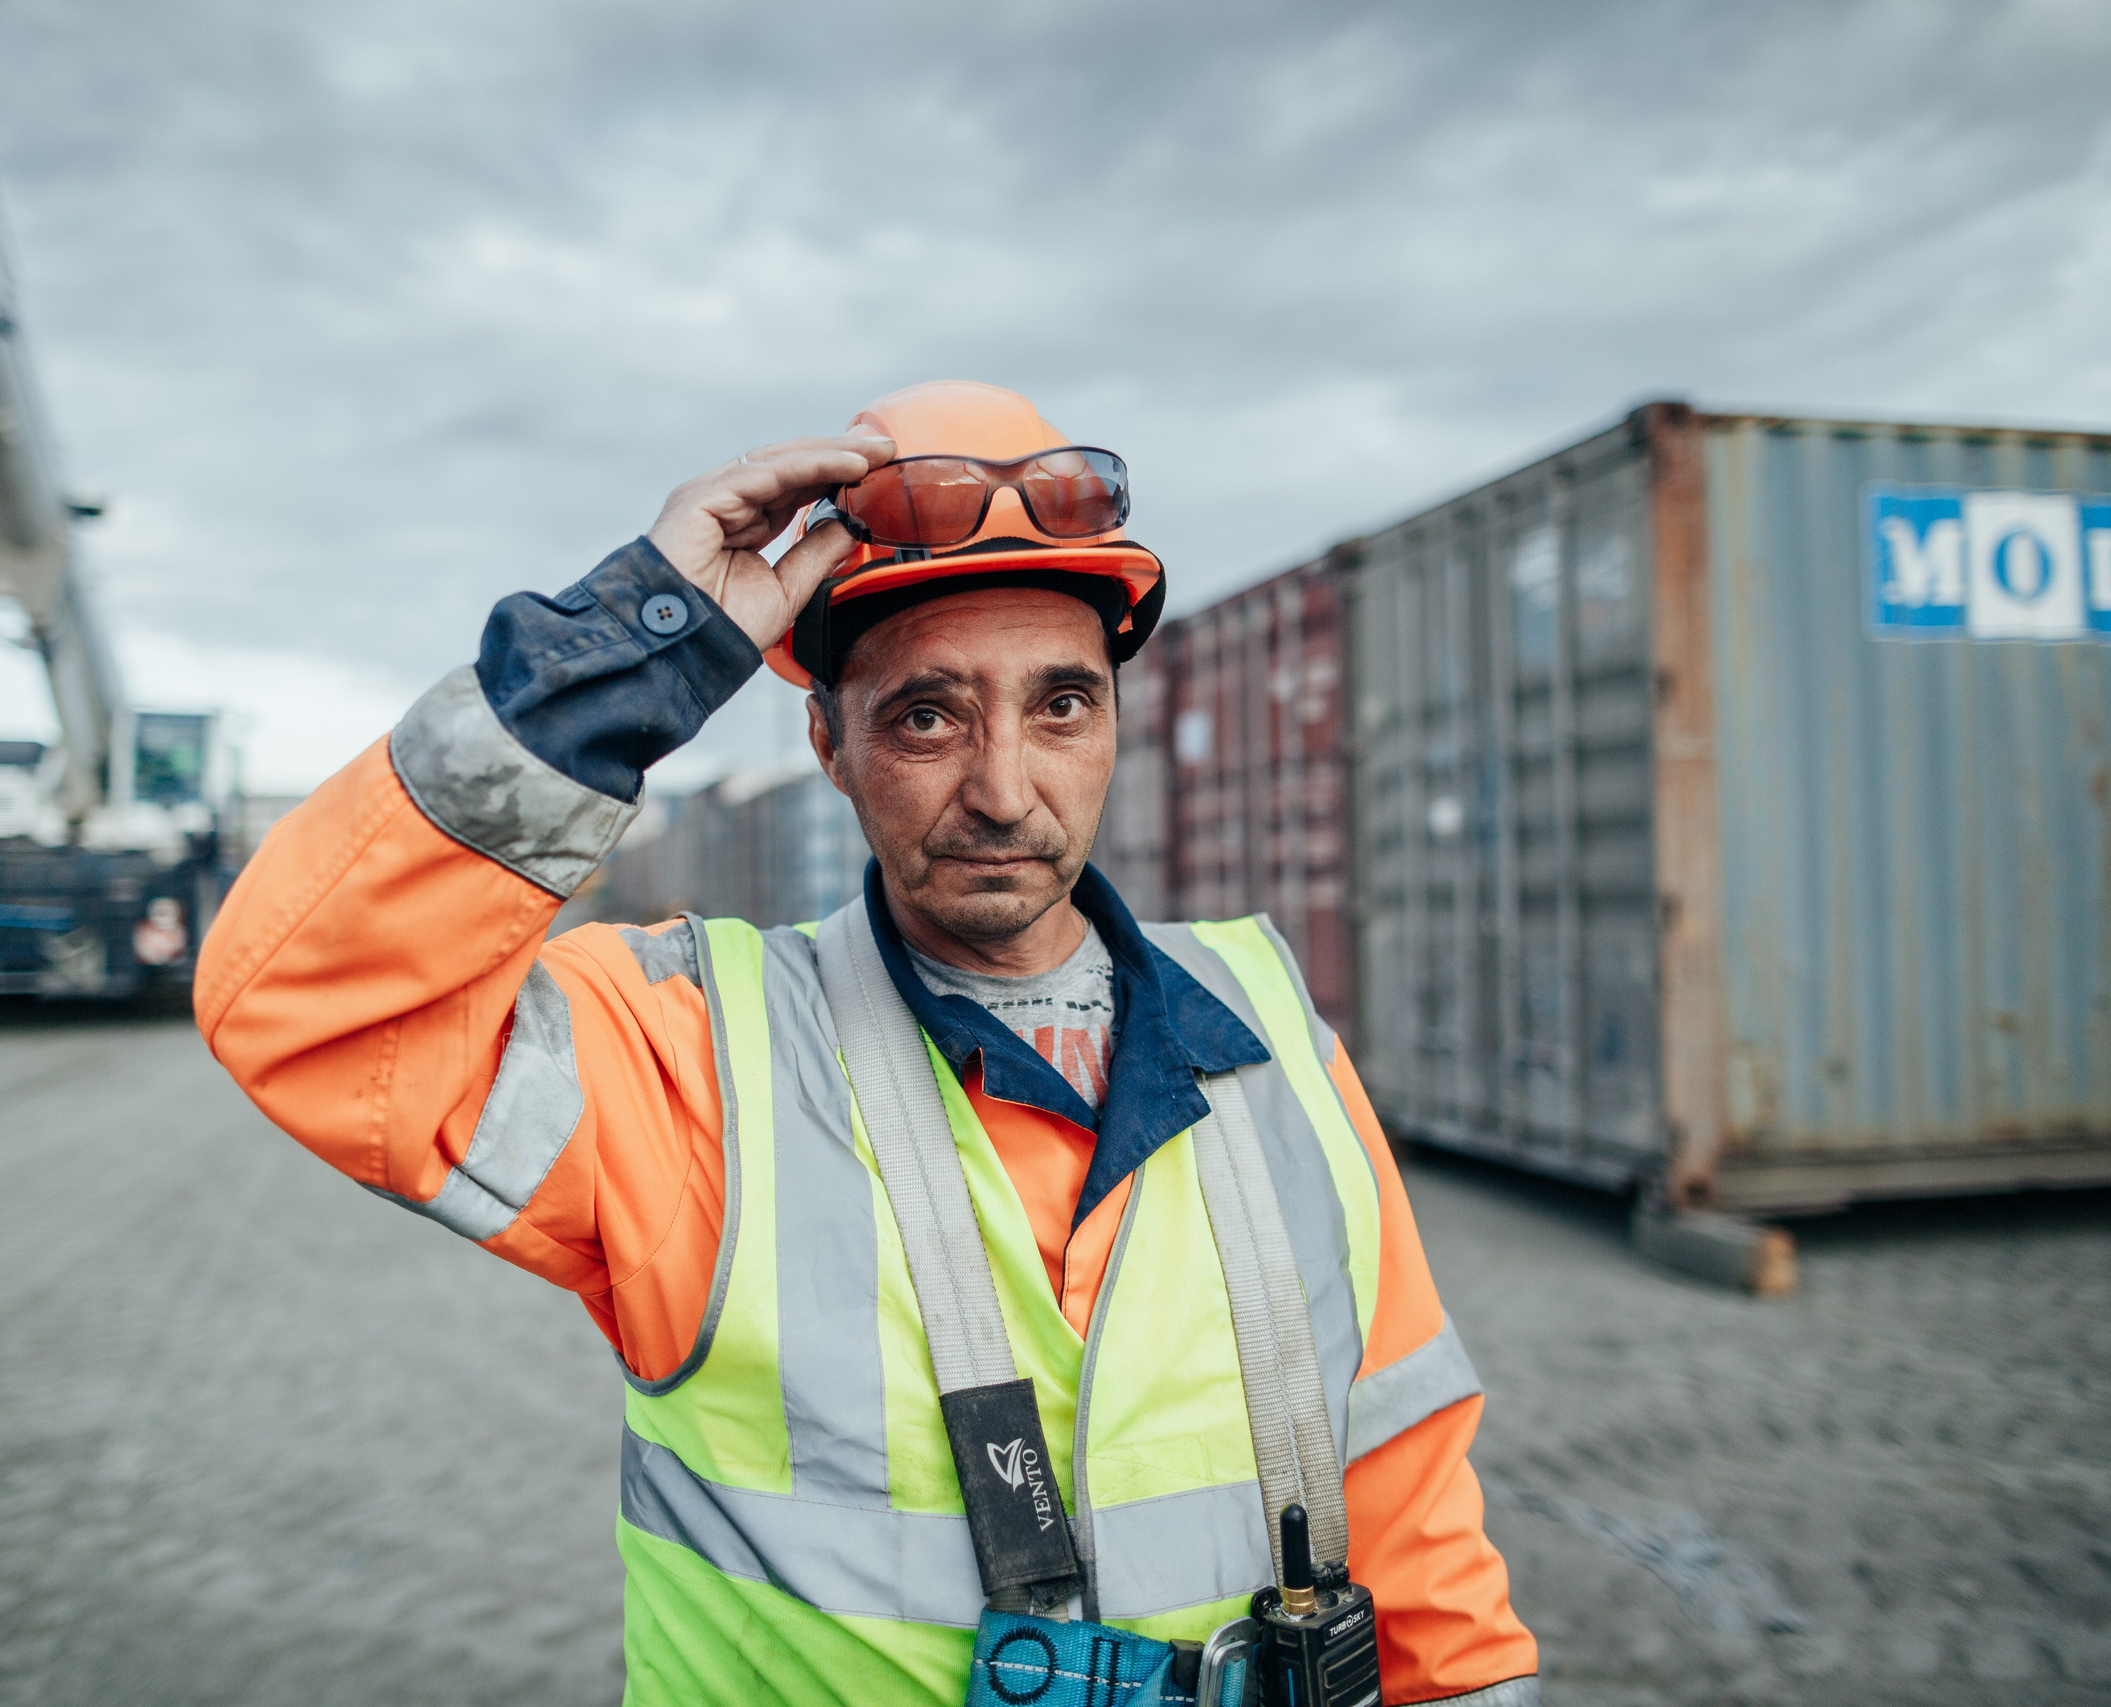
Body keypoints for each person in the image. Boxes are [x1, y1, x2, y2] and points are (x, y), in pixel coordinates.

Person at [198, 381, 1538, 1705]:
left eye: (1061, 707)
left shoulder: (1265, 1022)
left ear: (1115, 723)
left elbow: (1415, 1514)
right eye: (926, 717)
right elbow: (305, 1005)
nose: (1005, 789)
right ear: (827, 742)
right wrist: (642, 645)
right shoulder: (692, 1060)